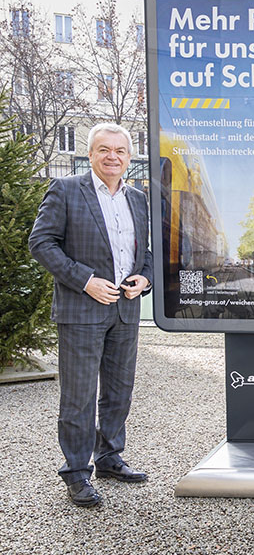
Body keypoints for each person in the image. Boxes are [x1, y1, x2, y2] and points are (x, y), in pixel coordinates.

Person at [29, 123, 153, 507]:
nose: (112, 156)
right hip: (81, 310)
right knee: (79, 396)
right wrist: (86, 281)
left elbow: (144, 253)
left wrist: (143, 279)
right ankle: (76, 473)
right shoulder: (66, 190)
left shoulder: (138, 198)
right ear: (91, 153)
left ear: (129, 157)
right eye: (104, 149)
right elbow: (41, 242)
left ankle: (110, 458)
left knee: (119, 391)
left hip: (125, 309)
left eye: (119, 150)